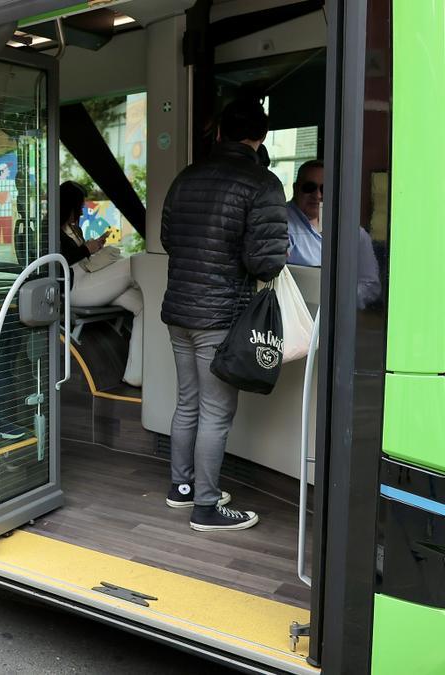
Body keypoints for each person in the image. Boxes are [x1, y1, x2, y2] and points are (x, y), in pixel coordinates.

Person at [159, 97, 289, 532]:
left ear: (219, 133)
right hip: (219, 315)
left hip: (179, 309)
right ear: (261, 137)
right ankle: (207, 507)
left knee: (188, 403)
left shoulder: (185, 178)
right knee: (216, 412)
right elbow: (266, 263)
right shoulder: (263, 183)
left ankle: (182, 488)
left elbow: (169, 238)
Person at [58, 181, 144, 387]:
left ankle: (136, 374)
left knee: (142, 304)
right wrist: (88, 249)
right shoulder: (50, 228)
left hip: (87, 279)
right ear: (67, 205)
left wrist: (93, 248)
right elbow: (61, 260)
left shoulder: (72, 228)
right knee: (132, 264)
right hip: (75, 287)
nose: (80, 210)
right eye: (78, 206)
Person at [286, 159, 383, 308]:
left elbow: (370, 285)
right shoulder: (278, 224)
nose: (317, 195)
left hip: (339, 323)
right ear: (295, 188)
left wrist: (338, 300)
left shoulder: (354, 234)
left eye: (325, 189)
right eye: (309, 187)